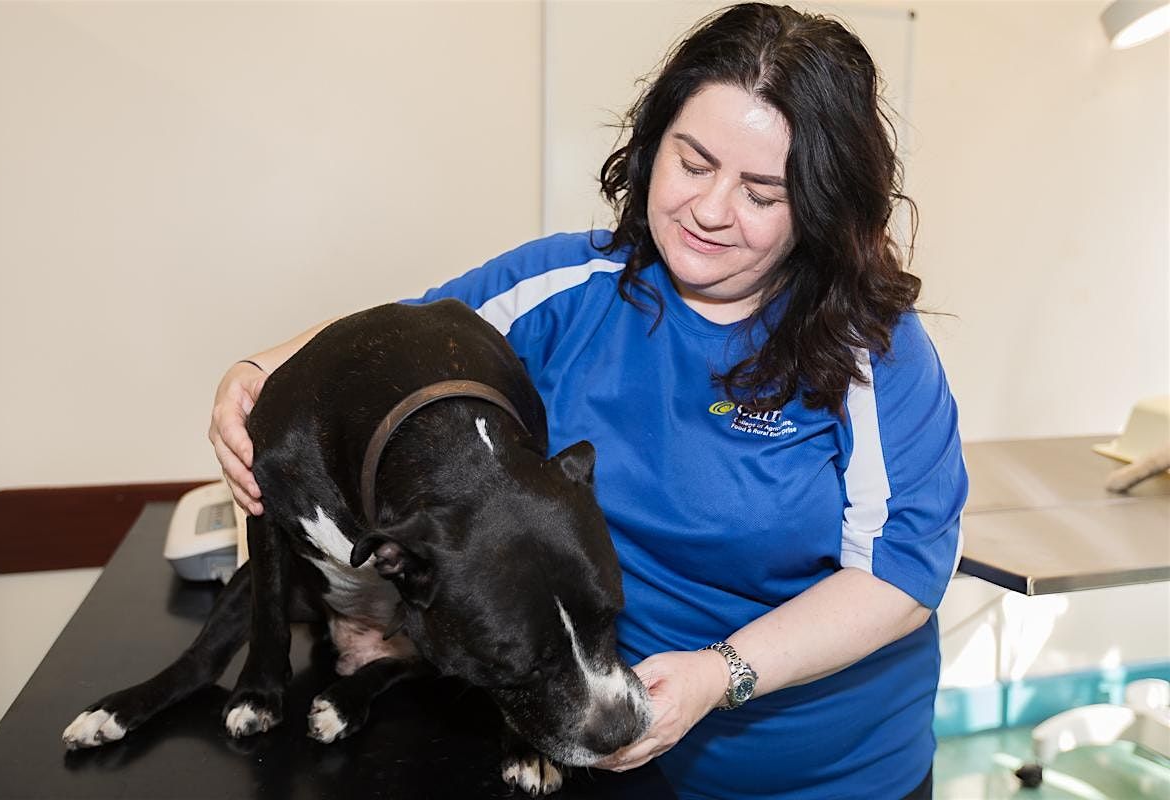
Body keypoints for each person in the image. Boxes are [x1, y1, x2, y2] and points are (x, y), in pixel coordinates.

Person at [208, 4, 968, 798]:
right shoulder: (568, 286)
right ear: (653, 143)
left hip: (825, 775)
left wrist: (721, 675)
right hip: (603, 742)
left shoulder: (870, 349)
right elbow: (390, 337)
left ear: (820, 205)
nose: (710, 210)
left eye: (761, 192)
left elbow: (901, 575)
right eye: (695, 161)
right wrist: (255, 370)